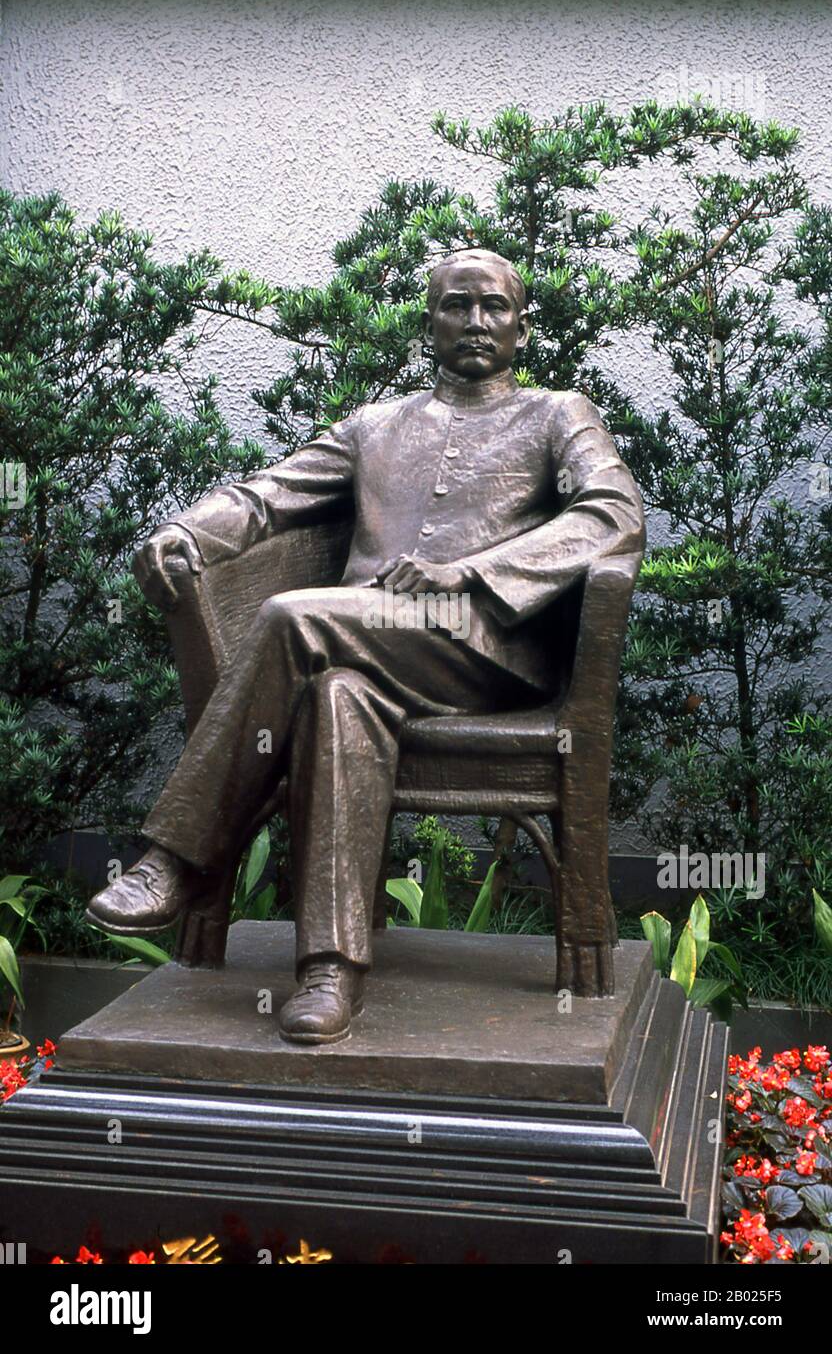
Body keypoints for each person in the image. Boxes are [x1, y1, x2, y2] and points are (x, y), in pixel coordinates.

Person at [86, 248, 645, 1044]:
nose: (476, 321)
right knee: (337, 700)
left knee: (291, 619)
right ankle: (329, 973)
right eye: (458, 305)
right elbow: (267, 497)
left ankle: (177, 858)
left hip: (483, 650)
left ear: (522, 327)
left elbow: (614, 515)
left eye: (494, 307)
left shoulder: (557, 414)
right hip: (363, 649)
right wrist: (185, 530)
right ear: (431, 321)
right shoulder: (376, 426)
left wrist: (471, 572)